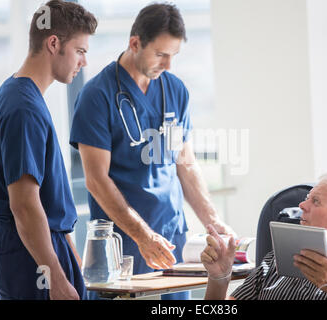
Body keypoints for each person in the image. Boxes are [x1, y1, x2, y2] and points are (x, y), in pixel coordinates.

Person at [70, 3, 234, 300]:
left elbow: (185, 164)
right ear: (135, 43)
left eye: (173, 55)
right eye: (160, 54)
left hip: (172, 242)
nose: (168, 65)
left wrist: (214, 220)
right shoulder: (97, 96)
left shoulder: (176, 90)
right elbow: (96, 180)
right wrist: (142, 236)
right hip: (122, 246)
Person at [0, 0, 97, 300]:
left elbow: (43, 200)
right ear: (53, 43)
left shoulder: (18, 93)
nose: (83, 62)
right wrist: (55, 278)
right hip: (27, 252)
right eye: (80, 51)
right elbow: (25, 205)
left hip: (35, 247)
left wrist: (68, 257)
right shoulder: (23, 109)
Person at [201, 171, 327, 300]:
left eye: (315, 201)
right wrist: (220, 277)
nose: (301, 205)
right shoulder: (273, 262)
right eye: (306, 198)